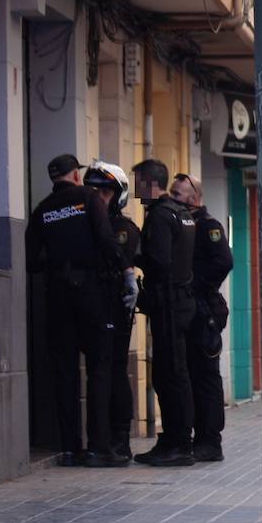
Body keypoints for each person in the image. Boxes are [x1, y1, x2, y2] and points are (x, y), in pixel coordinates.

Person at [26, 154, 137, 467]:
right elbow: (105, 240)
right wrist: (126, 272)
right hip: (91, 294)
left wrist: (59, 263)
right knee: (100, 368)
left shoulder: (42, 209)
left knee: (65, 372)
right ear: (76, 176)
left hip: (56, 296)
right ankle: (99, 448)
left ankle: (70, 448)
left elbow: (31, 261)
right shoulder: (89, 199)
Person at [131, 158, 198, 467]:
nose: (135, 190)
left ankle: (177, 443)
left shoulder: (160, 216)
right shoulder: (182, 214)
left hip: (169, 303)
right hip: (182, 300)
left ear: (150, 183)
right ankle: (176, 440)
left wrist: (132, 257)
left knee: (169, 375)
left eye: (138, 183)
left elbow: (158, 261)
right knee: (177, 373)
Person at [169, 172, 233, 463]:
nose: (173, 197)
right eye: (171, 192)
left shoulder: (208, 226)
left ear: (194, 198)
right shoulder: (180, 224)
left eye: (178, 193)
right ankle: (197, 436)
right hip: (187, 309)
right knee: (190, 375)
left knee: (206, 377)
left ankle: (210, 440)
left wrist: (194, 285)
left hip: (204, 311)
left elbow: (224, 261)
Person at [84, 160, 140, 461]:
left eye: (105, 192)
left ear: (118, 195)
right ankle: (101, 440)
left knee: (115, 370)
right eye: (93, 191)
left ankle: (120, 439)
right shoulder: (91, 225)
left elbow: (120, 259)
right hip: (92, 307)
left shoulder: (123, 229)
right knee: (99, 372)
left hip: (115, 307)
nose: (98, 197)